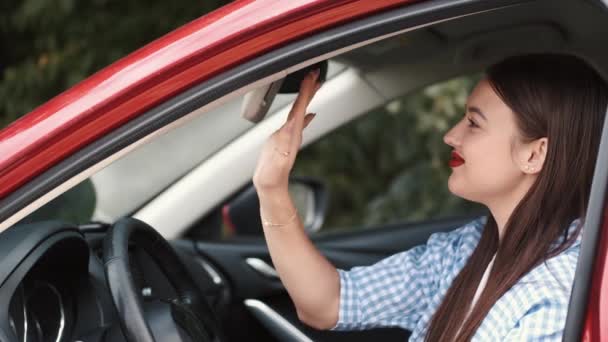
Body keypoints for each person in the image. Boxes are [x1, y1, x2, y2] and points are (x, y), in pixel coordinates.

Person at [252, 54, 608, 341]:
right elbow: (327, 303)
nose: (451, 136)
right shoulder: (468, 249)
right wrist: (272, 187)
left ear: (534, 154)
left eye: (473, 123)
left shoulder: (556, 297)